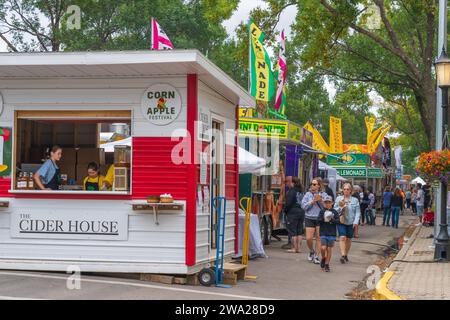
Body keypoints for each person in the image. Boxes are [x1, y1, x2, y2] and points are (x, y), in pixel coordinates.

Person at [301, 177, 328, 264]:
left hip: (320, 218)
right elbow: (303, 207)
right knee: (308, 238)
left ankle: (316, 256)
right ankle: (311, 251)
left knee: (318, 238)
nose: (312, 186)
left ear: (319, 186)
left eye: (314, 184)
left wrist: (320, 200)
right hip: (309, 217)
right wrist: (312, 201)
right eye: (311, 184)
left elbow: (327, 207)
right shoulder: (307, 194)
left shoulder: (324, 194)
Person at [334, 182, 360, 264]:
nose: (346, 191)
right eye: (344, 189)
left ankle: (346, 254)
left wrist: (355, 222)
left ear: (350, 191)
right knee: (342, 237)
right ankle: (342, 255)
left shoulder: (355, 200)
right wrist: (341, 207)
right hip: (341, 221)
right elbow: (334, 209)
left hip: (350, 222)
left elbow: (357, 212)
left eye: (347, 189)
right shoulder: (339, 199)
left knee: (348, 239)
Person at [318, 195, 340, 272]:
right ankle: (323, 258)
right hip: (323, 232)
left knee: (329, 249)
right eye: (326, 202)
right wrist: (323, 218)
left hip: (331, 233)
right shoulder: (322, 211)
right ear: (323, 203)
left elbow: (338, 221)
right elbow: (318, 220)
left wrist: (331, 219)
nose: (327, 204)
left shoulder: (334, 212)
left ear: (332, 203)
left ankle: (327, 264)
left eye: (329, 202)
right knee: (323, 248)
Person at [283, 177, 305, 253]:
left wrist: (285, 211)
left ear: (293, 183)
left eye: (290, 182)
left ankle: (294, 248)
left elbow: (288, 203)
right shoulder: (302, 191)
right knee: (299, 231)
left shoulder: (291, 191)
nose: (288, 183)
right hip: (301, 212)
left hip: (292, 213)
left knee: (293, 231)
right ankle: (298, 248)